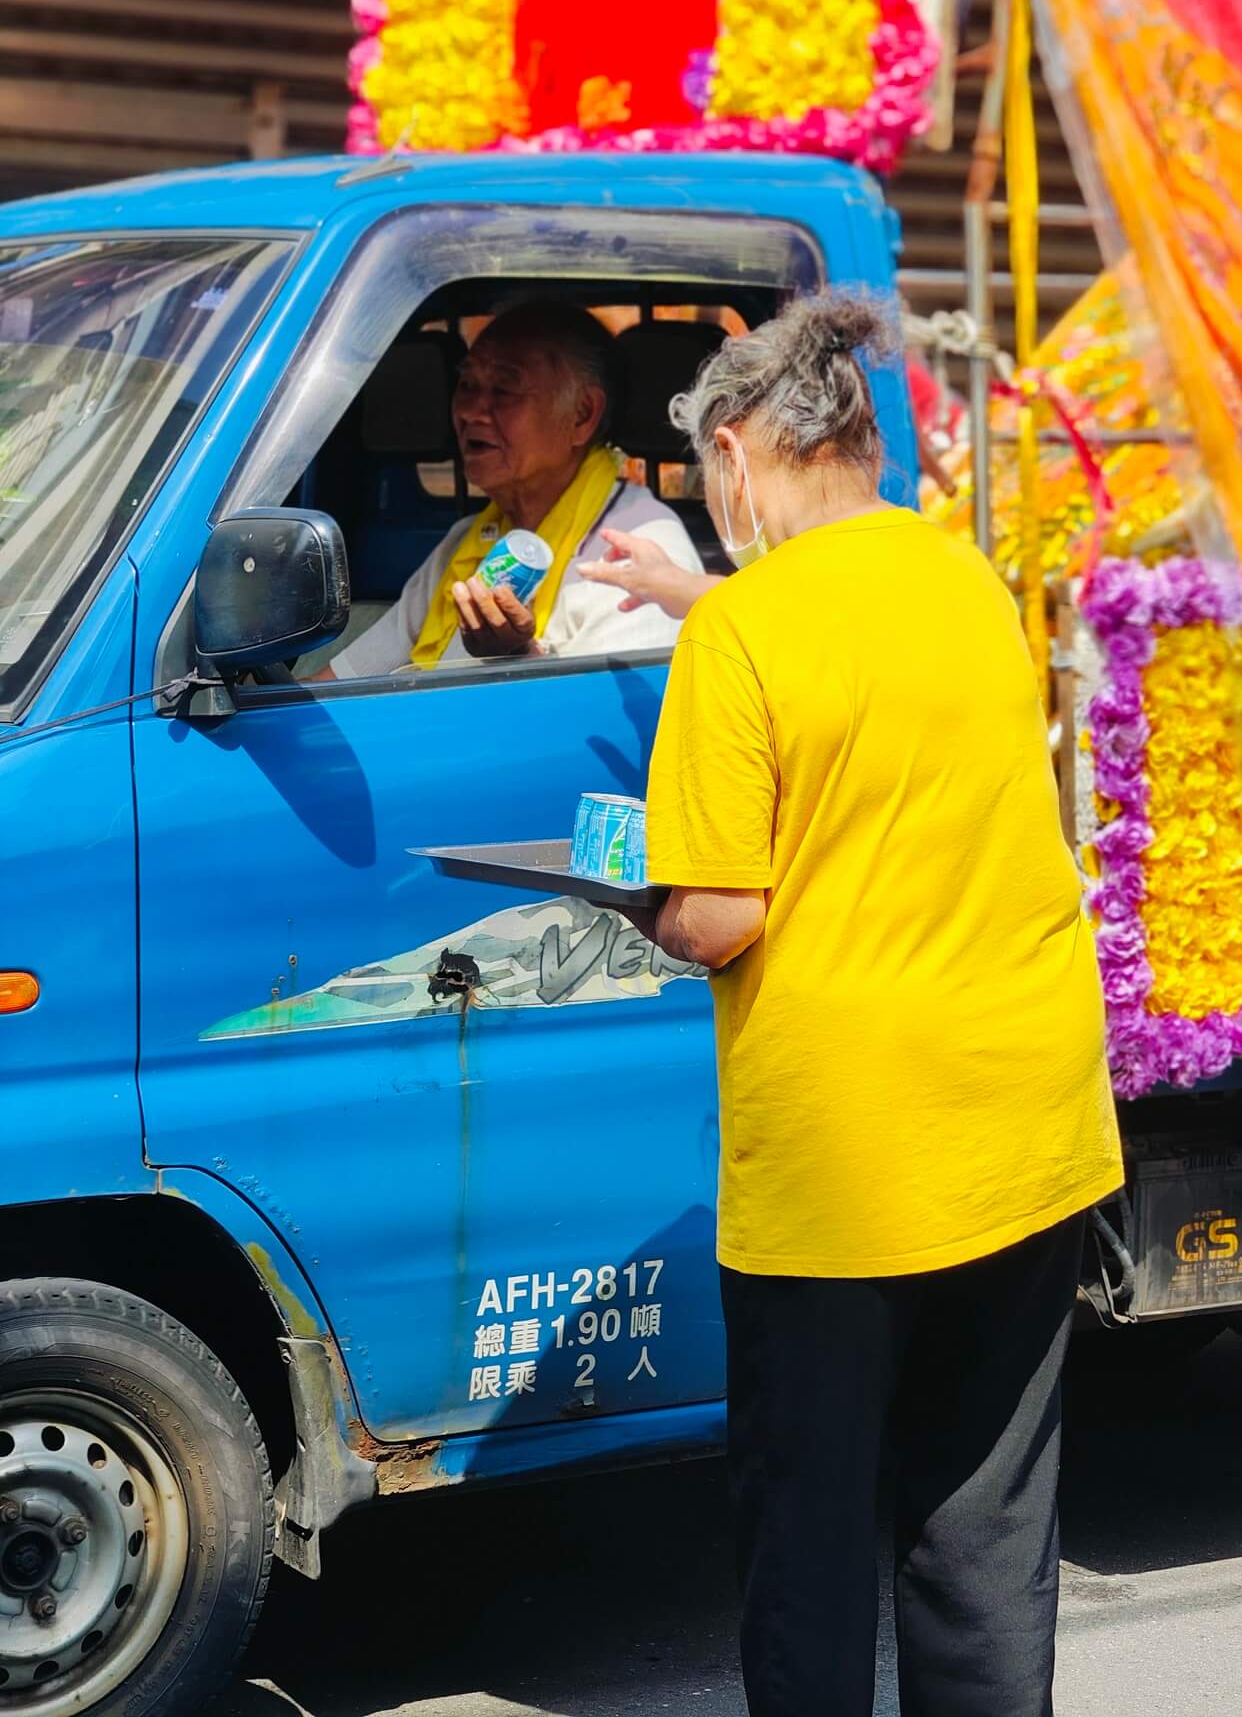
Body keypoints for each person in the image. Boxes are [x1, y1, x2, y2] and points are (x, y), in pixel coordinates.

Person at [633, 290, 1122, 1717]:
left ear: (734, 452)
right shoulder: (961, 574)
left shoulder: (741, 632)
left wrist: (647, 906)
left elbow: (723, 914)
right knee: (983, 1531)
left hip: (848, 1164)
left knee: (812, 1538)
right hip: (1024, 1126)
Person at [324, 302, 703, 678]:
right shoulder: (465, 543)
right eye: (467, 384)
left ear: (582, 414)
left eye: (504, 388)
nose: (471, 410)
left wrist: (517, 656)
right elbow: (341, 680)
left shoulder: (639, 553)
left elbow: (592, 728)